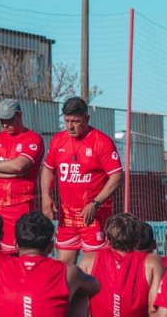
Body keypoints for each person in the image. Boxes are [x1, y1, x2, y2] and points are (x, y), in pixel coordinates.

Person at [41, 96, 123, 264]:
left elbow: (116, 176)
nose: (70, 126)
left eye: (76, 121)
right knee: (63, 267)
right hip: (67, 218)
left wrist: (96, 203)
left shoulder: (102, 142)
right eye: (67, 121)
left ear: (87, 119)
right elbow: (48, 169)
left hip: (93, 218)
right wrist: (45, 195)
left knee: (93, 267)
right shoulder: (58, 140)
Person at [80, 213, 164, 317]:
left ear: (107, 240)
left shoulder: (88, 260)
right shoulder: (152, 262)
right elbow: (155, 310)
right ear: (136, 239)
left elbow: (81, 311)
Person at [0, 99, 45, 254]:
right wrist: (12, 173)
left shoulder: (33, 139)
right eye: (2, 121)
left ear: (20, 115)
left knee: (13, 253)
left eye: (8, 120)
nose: (5, 124)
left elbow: (18, 166)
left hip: (17, 205)